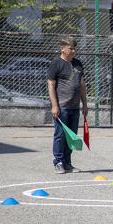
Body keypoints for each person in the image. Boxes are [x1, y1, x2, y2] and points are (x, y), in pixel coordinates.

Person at [47, 37, 88, 174]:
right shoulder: (56, 63)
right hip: (62, 107)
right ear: (63, 48)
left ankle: (67, 163)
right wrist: (54, 105)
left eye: (75, 48)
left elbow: (82, 84)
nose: (74, 51)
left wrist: (85, 104)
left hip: (75, 107)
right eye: (71, 48)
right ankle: (58, 162)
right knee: (60, 135)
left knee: (72, 136)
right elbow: (51, 85)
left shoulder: (78, 63)